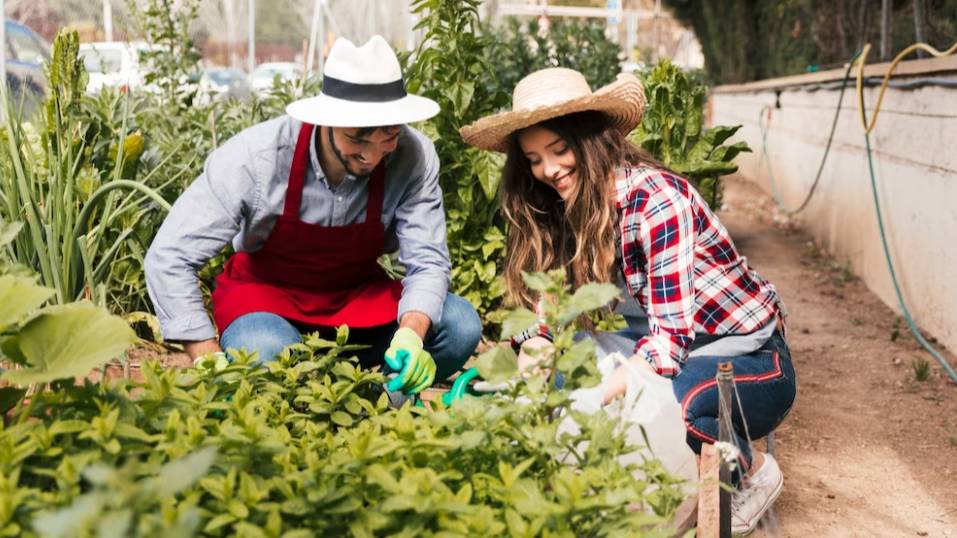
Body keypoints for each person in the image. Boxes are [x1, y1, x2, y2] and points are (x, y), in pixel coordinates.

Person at [460, 67, 796, 535]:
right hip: (664, 340)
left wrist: (598, 399)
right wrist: (531, 374)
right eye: (534, 158)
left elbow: (669, 343)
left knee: (683, 403)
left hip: (744, 356)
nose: (549, 169)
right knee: (557, 370)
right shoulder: (561, 204)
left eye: (559, 149)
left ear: (593, 140)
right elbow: (546, 316)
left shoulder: (655, 202)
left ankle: (751, 471)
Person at [145, 35, 481, 396]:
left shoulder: (414, 156)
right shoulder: (255, 158)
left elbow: (428, 262)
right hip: (266, 301)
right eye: (357, 139)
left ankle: (373, 397)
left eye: (388, 136)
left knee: (459, 325)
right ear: (327, 121)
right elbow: (170, 257)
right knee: (267, 350)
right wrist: (205, 355)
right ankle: (337, 394)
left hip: (357, 301)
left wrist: (411, 335)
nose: (373, 156)